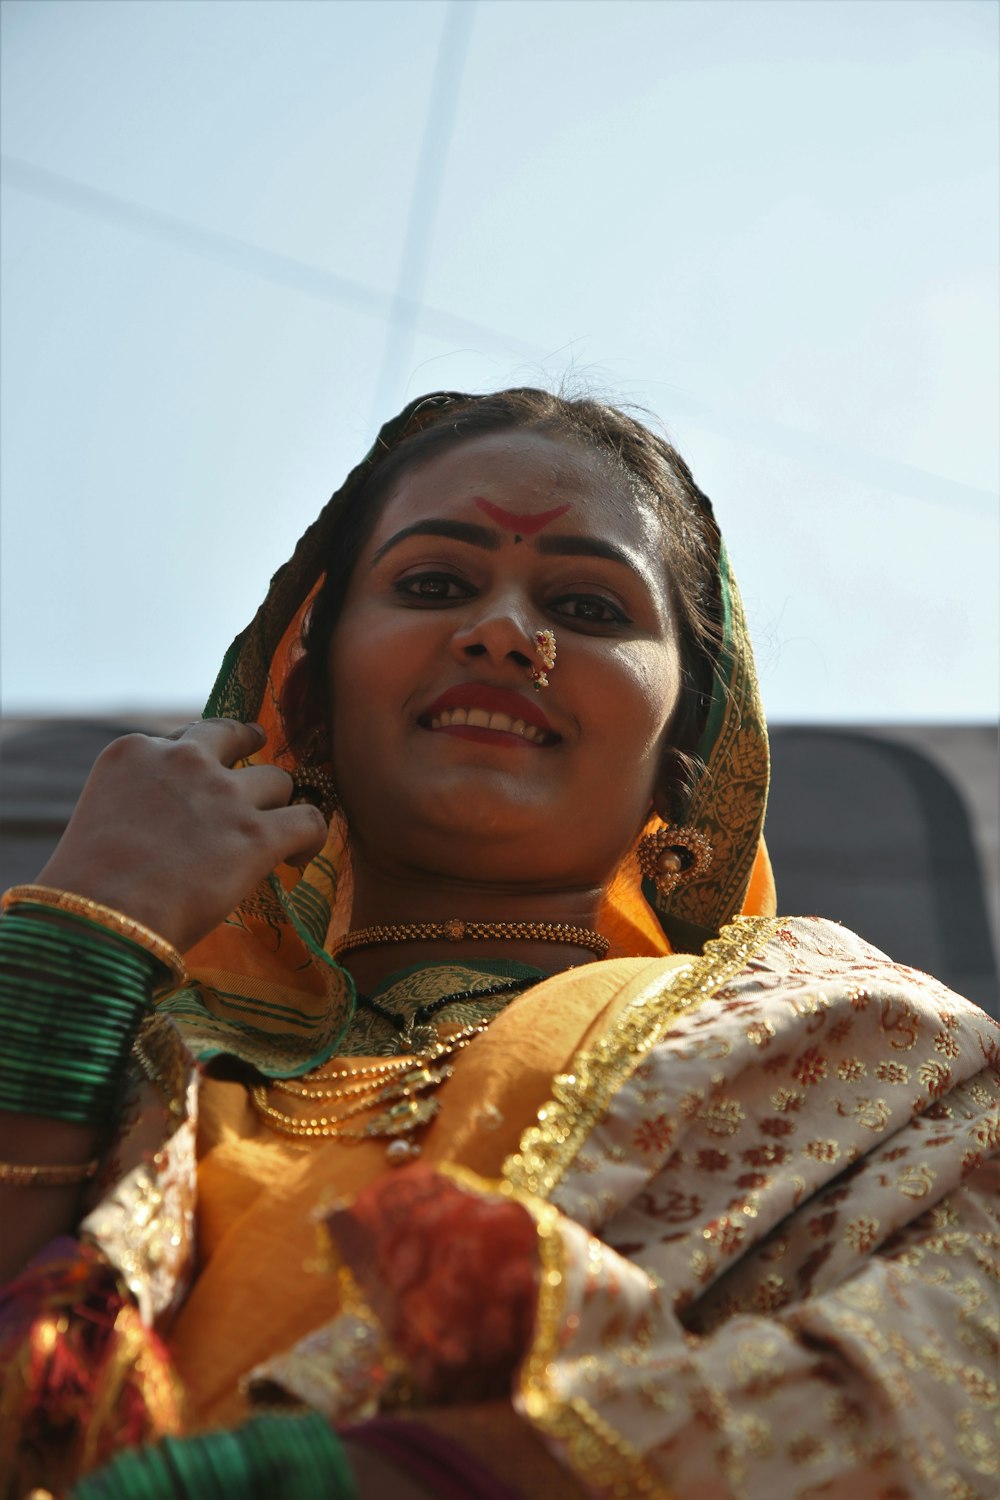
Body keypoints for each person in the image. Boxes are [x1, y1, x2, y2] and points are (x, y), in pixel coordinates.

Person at [1, 389, 996, 1500]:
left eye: (587, 603)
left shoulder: (856, 1051)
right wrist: (79, 947)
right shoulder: (144, 1044)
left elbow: (950, 1393)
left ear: (690, 749)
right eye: (433, 585)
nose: (503, 633)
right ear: (308, 690)